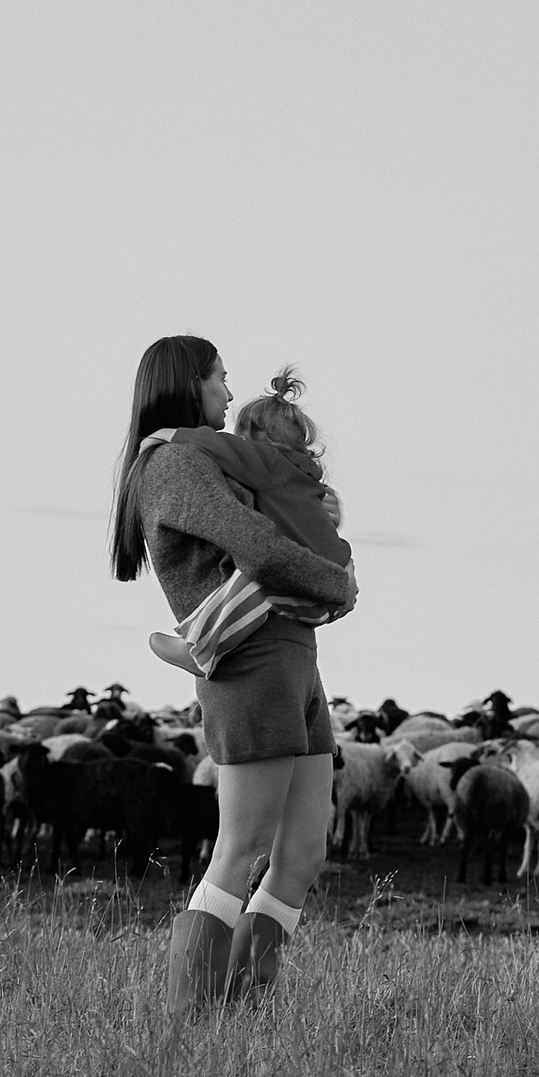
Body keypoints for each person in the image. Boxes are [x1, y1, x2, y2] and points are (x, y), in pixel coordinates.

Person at [111, 336, 357, 1011]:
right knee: (241, 850)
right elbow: (256, 546)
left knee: (301, 855)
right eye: (219, 379)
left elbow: (275, 525)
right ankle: (188, 1023)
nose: (227, 392)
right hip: (249, 662)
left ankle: (243, 1016)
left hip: (292, 656)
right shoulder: (173, 461)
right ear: (189, 382)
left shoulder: (203, 460)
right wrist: (337, 580)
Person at [144, 367, 352, 678]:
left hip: (319, 587)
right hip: (337, 580)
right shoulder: (304, 476)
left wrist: (162, 435)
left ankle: (201, 649)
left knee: (253, 580)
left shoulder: (265, 462)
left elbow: (211, 443)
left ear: (254, 438)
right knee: (263, 578)